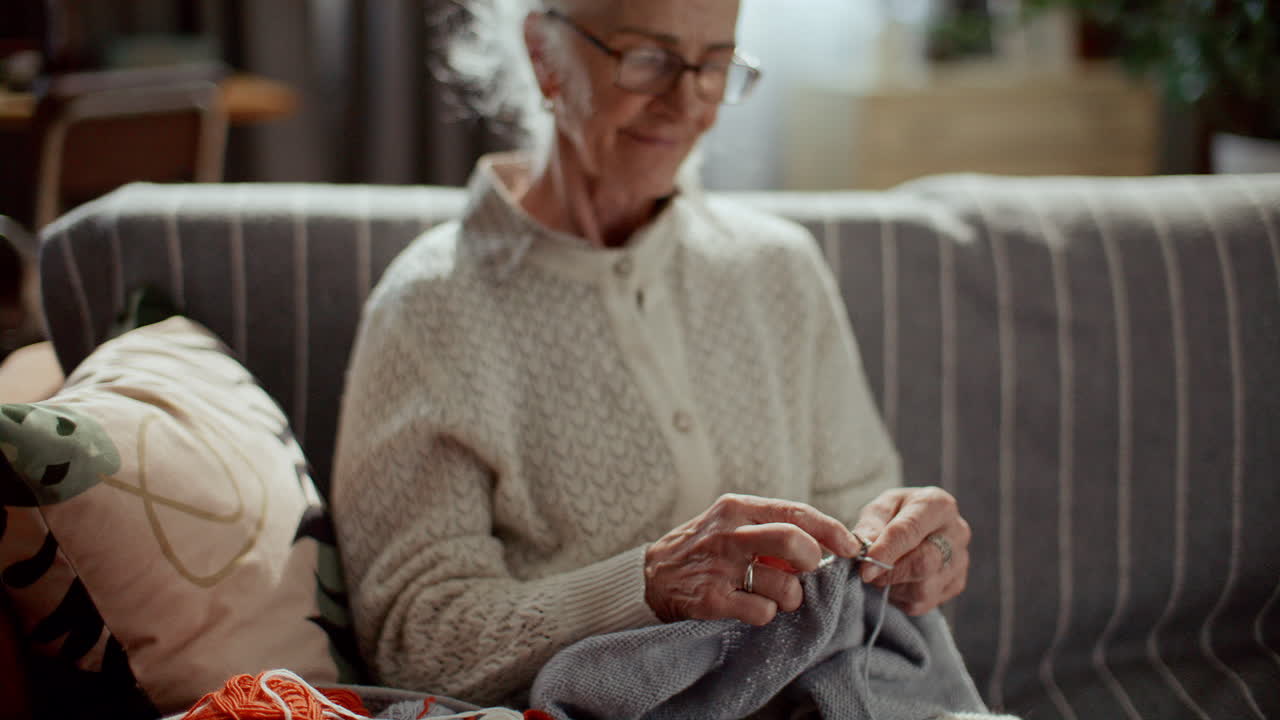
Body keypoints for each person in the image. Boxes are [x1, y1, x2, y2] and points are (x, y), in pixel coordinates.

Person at [332, 0, 976, 712]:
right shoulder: (430, 309)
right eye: (648, 58)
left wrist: (913, 554)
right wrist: (641, 586)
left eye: (715, 66)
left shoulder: (777, 269)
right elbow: (415, 642)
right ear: (545, 55)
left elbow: (863, 524)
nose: (687, 103)